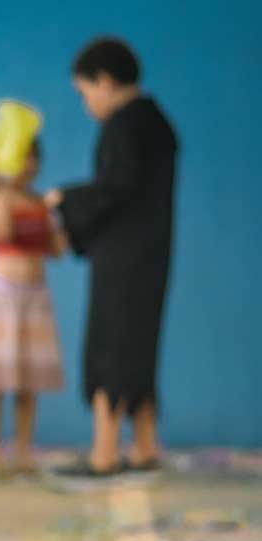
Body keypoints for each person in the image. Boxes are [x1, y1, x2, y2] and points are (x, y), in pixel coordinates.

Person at [47, 37, 178, 480]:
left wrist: (63, 200)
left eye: (84, 92)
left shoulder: (124, 125)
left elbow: (115, 188)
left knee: (110, 346)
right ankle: (144, 446)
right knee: (141, 346)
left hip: (123, 257)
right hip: (153, 254)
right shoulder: (157, 122)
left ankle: (104, 454)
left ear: (104, 82)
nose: (86, 104)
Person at [0, 115, 66, 473]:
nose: (29, 164)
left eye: (34, 156)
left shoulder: (42, 201)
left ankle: (23, 451)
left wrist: (55, 214)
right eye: (22, 155)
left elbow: (58, 249)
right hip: (1, 295)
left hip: (35, 295)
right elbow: (2, 232)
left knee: (29, 379)